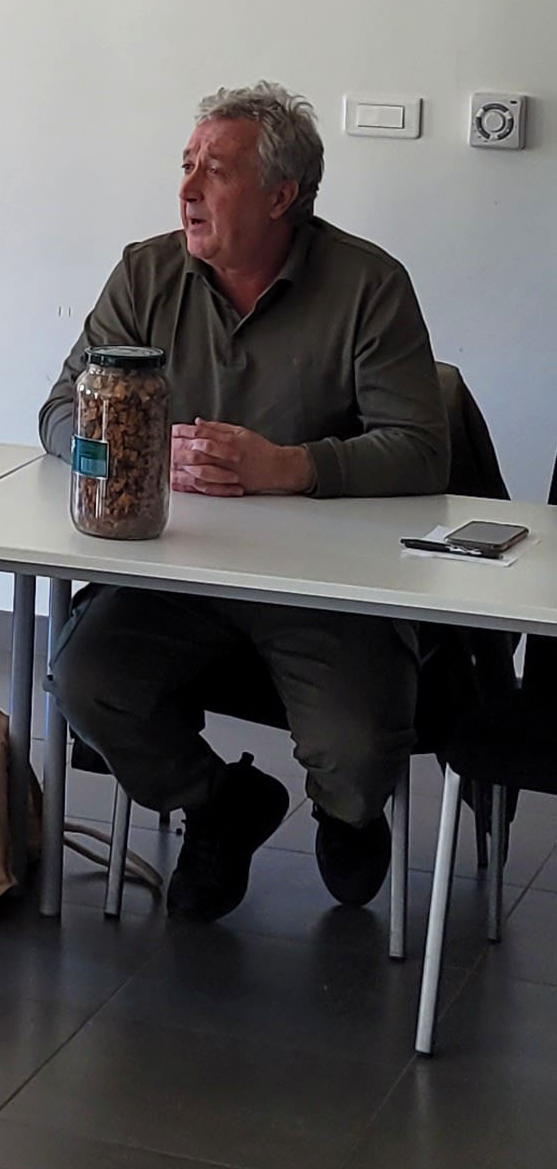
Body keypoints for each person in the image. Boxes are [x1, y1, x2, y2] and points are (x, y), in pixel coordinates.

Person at [45, 82, 446, 923]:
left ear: (280, 195)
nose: (187, 190)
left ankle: (348, 811)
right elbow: (58, 413)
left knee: (355, 746)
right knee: (85, 679)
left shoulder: (368, 284)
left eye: (214, 172)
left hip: (324, 582)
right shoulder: (145, 272)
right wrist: (140, 453)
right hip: (175, 564)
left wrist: (290, 466)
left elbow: (419, 448)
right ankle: (219, 802)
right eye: (186, 166)